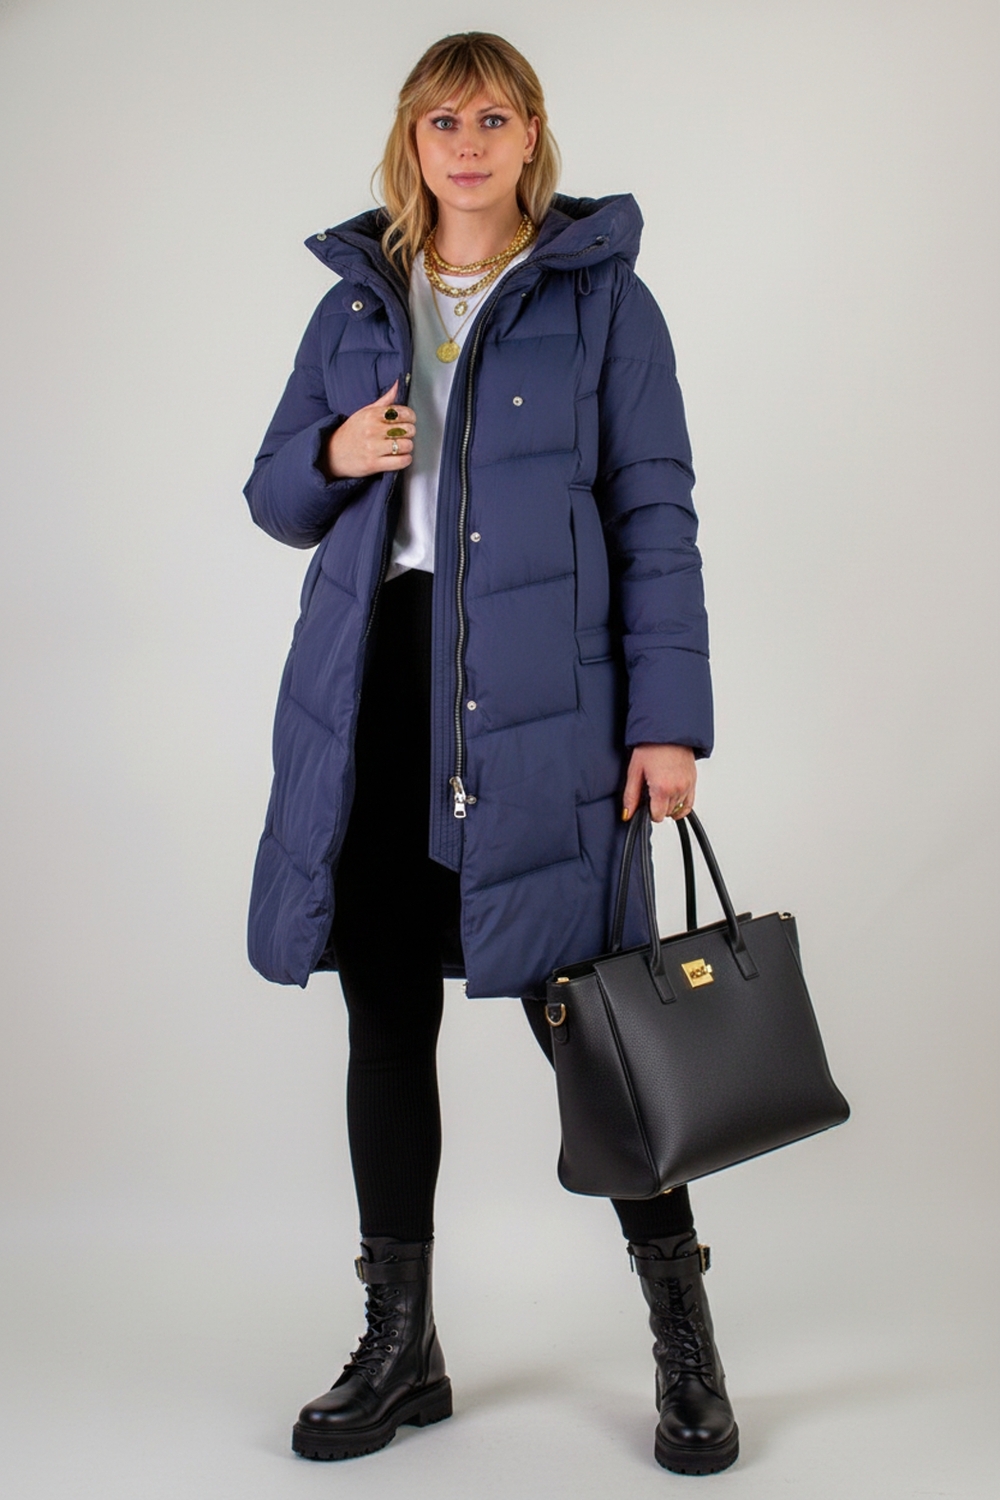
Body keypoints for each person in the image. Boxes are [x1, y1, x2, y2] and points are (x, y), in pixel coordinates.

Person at [243, 31, 735, 1477]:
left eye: (494, 117)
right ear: (412, 139)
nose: (467, 143)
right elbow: (274, 493)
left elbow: (655, 512)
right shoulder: (356, 299)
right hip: (376, 692)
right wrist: (335, 455)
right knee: (387, 1015)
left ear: (533, 137)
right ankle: (403, 1347)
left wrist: (666, 720)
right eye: (443, 119)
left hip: (540, 709)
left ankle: (686, 1345)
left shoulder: (602, 301)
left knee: (598, 1033)